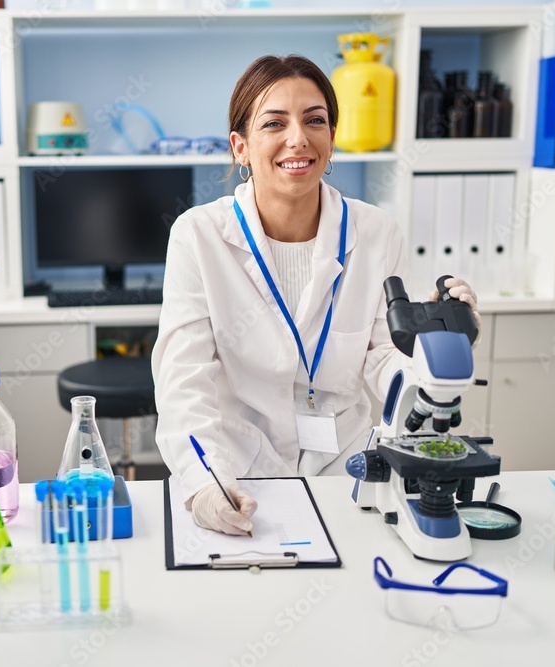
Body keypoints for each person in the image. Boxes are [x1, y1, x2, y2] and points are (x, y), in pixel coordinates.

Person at [151, 55, 480, 536]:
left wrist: (432, 350)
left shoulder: (375, 232)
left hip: (346, 468)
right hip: (239, 470)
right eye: (274, 123)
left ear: (331, 140)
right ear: (240, 147)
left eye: (315, 120)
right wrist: (203, 483)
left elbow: (385, 357)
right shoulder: (198, 236)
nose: (298, 138)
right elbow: (184, 379)